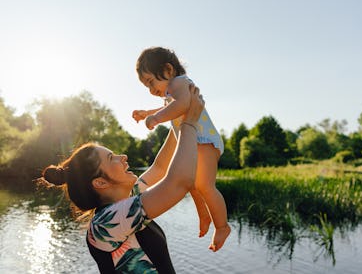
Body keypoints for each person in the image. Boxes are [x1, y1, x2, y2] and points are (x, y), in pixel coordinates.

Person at [38, 85, 204, 273]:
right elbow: (179, 182)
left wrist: (179, 117)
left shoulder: (127, 198)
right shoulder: (106, 222)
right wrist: (190, 123)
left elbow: (159, 168)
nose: (123, 156)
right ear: (100, 182)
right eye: (112, 158)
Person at [132, 46, 230, 252]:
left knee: (205, 185)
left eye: (151, 82)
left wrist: (156, 119)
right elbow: (171, 105)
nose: (151, 90)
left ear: (168, 70)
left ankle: (222, 226)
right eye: (146, 86)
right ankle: (204, 215)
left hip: (204, 141)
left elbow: (183, 104)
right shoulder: (173, 91)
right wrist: (147, 112)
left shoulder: (180, 83)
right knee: (192, 184)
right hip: (197, 141)